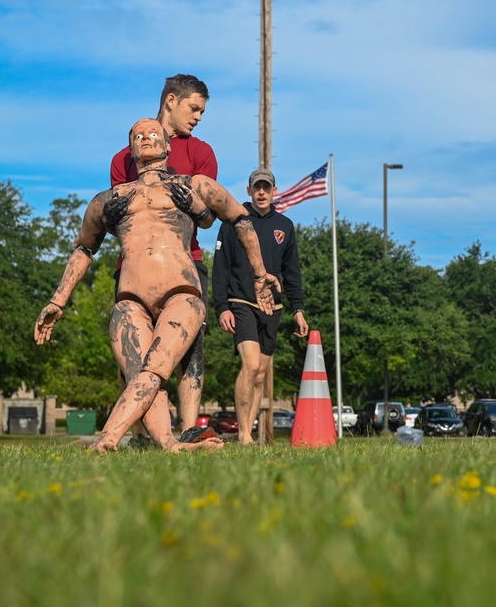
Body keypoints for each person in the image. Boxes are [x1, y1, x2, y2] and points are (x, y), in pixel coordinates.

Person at [35, 119, 279, 453]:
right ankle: (168, 443)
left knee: (154, 369)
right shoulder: (108, 200)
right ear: (130, 149)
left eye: (153, 134)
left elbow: (239, 218)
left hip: (182, 295)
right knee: (140, 375)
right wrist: (58, 301)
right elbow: (84, 248)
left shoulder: (192, 186)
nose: (146, 138)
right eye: (138, 135)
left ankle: (107, 439)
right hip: (130, 300)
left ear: (167, 147)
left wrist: (260, 273)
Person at [110, 74, 216, 436]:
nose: (199, 116)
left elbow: (209, 215)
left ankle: (188, 429)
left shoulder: (201, 152)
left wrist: (197, 206)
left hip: (188, 263)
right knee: (133, 353)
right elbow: (121, 217)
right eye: (194, 108)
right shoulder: (124, 157)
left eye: (202, 111)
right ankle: (142, 435)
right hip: (133, 269)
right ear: (171, 101)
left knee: (190, 350)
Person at [212, 168, 308, 445]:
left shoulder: (285, 226)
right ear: (249, 191)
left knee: (261, 374)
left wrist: (297, 309)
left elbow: (293, 272)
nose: (262, 192)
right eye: (257, 187)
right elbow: (220, 269)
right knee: (251, 365)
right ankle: (243, 435)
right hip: (241, 302)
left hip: (272, 309)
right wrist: (222, 307)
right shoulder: (233, 223)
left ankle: (249, 433)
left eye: (266, 187)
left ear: (275, 191)